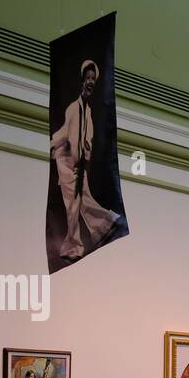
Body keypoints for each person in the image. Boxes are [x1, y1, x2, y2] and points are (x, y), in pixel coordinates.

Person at [50, 59, 126, 264]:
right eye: (88, 78)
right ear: (82, 81)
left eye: (94, 78)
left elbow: (88, 136)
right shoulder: (73, 109)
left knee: (84, 199)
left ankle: (104, 226)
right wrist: (52, 144)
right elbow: (64, 132)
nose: (91, 81)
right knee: (73, 206)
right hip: (67, 163)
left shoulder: (89, 111)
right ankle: (76, 245)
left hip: (79, 163)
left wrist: (87, 152)